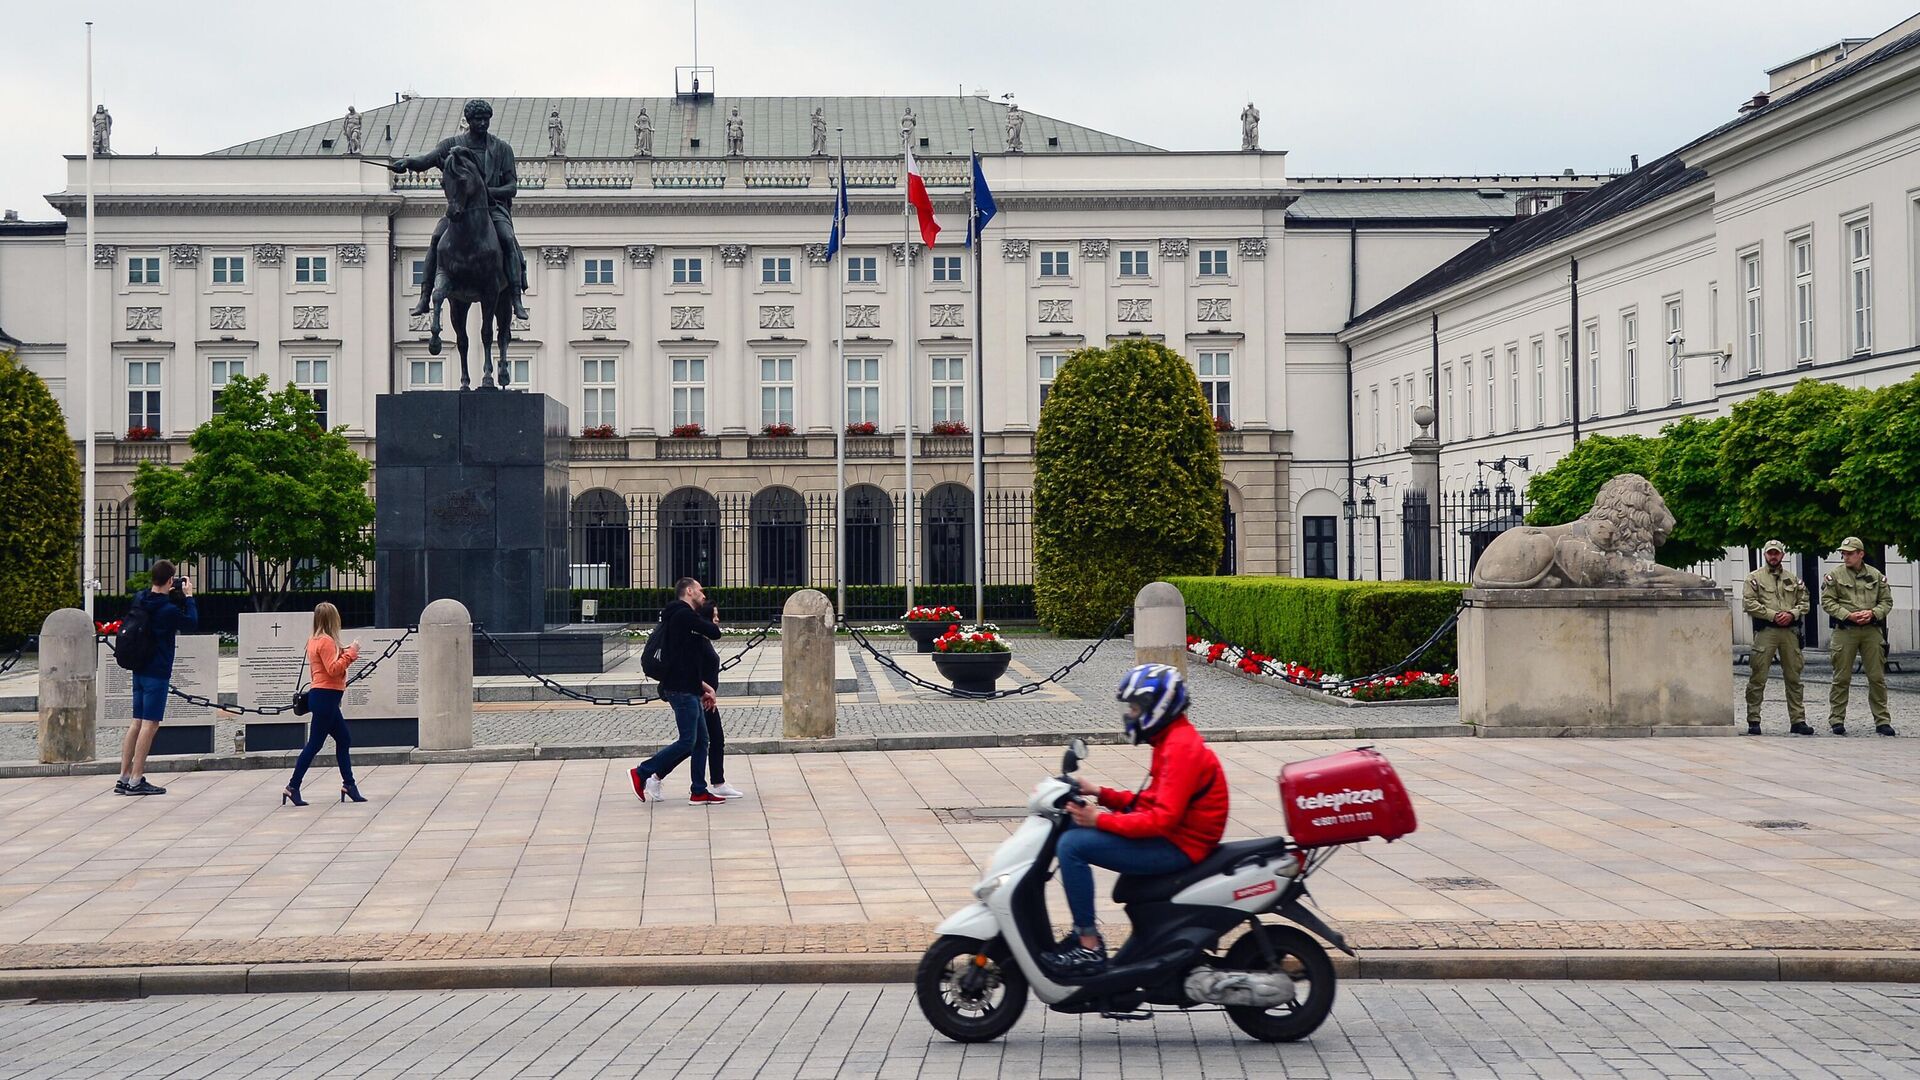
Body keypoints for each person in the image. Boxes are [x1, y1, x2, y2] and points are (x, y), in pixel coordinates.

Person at [1044, 664, 1227, 975]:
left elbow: (1161, 820)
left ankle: (1088, 943)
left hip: (1180, 845)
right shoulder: (1172, 740)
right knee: (1073, 832)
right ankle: (1084, 936)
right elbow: (1153, 801)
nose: (1130, 714)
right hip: (1177, 837)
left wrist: (1098, 821)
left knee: (1073, 845)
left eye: (1135, 707)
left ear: (1160, 707)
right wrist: (1101, 793)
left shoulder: (1180, 748)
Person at [388, 98, 530, 321]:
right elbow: (426, 160)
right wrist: (406, 163)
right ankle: (425, 297)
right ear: (469, 120)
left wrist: (484, 192)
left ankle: (515, 297)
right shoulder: (451, 146)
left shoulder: (501, 149)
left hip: (492, 210)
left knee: (508, 238)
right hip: (459, 211)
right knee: (436, 238)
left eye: (486, 119)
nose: (482, 123)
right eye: (477, 119)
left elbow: (511, 187)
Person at [631, 578, 725, 805]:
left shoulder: (680, 618)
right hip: (681, 690)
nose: (703, 595)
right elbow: (714, 632)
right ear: (689, 591)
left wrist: (705, 687)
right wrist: (705, 616)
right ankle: (642, 772)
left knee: (701, 741)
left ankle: (698, 790)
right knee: (687, 741)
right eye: (700, 591)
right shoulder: (683, 615)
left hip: (688, 687)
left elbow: (684, 661)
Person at [116, 560, 198, 796]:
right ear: (171, 581)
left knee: (136, 722)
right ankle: (136, 779)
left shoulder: (140, 598)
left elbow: (155, 603)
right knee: (151, 724)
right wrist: (189, 597)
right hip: (157, 670)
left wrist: (170, 594)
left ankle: (123, 776)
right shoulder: (167, 610)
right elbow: (191, 623)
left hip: (138, 667)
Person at [282, 602, 363, 806]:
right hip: (326, 697)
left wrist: (344, 650)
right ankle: (293, 786)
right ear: (332, 619)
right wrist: (351, 653)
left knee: (344, 739)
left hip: (323, 697)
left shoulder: (314, 639)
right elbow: (333, 669)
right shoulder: (325, 641)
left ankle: (349, 785)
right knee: (314, 744)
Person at [1823, 537, 1895, 736]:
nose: (1845, 556)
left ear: (1860, 554)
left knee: (1877, 677)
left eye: (1849, 553)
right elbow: (1827, 602)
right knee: (1841, 677)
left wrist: (1873, 613)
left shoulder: (1875, 575)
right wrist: (1848, 615)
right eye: (1843, 553)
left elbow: (1886, 602)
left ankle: (1882, 720)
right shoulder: (1835, 575)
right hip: (1845, 630)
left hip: (1871, 630)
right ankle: (1837, 720)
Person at [1743, 539, 1811, 735]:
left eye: (1777, 553)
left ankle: (1798, 719)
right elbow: (1749, 603)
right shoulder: (1754, 579)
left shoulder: (1793, 579)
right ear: (1765, 555)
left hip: (1790, 632)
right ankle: (1753, 719)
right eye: (1770, 553)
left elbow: (1804, 602)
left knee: (1794, 677)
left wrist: (1792, 614)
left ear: (1782, 555)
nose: (1773, 556)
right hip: (1766, 632)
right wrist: (1773, 615)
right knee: (1758, 676)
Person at [696, 597, 745, 800]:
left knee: (713, 739)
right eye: (713, 616)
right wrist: (704, 692)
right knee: (691, 743)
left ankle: (718, 782)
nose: (717, 620)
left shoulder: (704, 639)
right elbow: (693, 671)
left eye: (717, 616)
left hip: (707, 698)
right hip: (701, 698)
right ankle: (651, 773)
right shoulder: (697, 640)